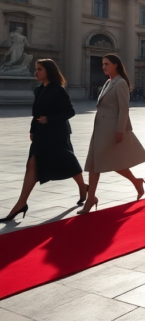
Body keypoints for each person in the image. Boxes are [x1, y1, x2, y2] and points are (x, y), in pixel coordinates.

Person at [1, 59, 88, 222]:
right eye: (35, 69)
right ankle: (21, 203)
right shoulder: (39, 90)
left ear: (48, 71)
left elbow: (70, 112)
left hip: (57, 134)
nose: (36, 72)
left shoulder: (58, 90)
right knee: (32, 164)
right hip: (41, 133)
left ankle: (83, 188)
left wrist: (50, 119)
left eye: (39, 69)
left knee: (67, 160)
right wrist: (32, 129)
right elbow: (36, 112)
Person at [80, 54, 145, 214]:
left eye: (107, 64)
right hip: (100, 127)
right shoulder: (108, 82)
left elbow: (124, 109)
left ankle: (135, 182)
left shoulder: (120, 83)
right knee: (94, 163)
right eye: (103, 64)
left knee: (105, 162)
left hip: (111, 129)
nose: (103, 66)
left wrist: (120, 130)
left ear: (115, 65)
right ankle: (91, 198)